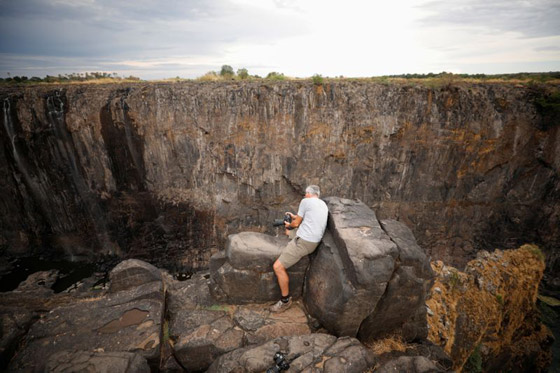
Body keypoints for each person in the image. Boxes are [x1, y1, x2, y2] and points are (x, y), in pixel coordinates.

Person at [270, 185, 328, 313]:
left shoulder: (305, 201)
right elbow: (304, 219)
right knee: (289, 232)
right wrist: (293, 217)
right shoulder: (322, 204)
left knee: (278, 267)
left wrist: (289, 225)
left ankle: (285, 301)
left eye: (305, 194)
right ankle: (289, 231)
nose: (304, 196)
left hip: (304, 242)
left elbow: (296, 224)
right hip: (314, 240)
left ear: (308, 193)